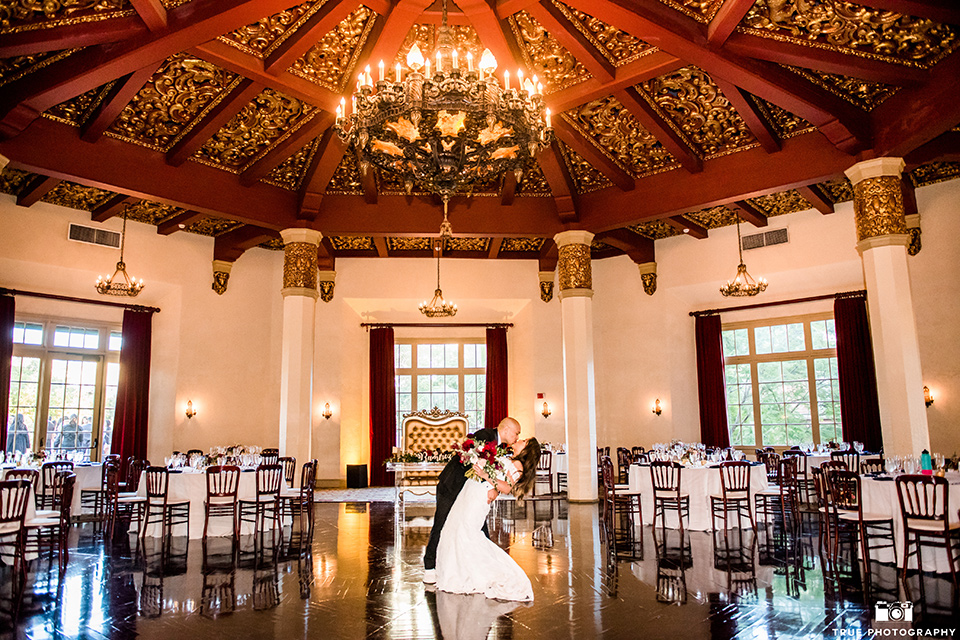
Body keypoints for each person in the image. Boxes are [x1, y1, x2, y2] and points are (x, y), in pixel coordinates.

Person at [434, 436, 541, 601]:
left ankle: (471, 574)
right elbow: (498, 480)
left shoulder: (518, 466)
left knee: (467, 532)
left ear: (527, 449)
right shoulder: (510, 458)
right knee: (453, 528)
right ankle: (458, 572)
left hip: (479, 496)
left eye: (524, 440)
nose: (520, 440)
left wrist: (485, 475)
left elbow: (506, 487)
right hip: (472, 490)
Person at [422, 417, 521, 584]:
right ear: (506, 430)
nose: (517, 437)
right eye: (516, 433)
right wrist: (490, 485)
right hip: (452, 487)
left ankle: (484, 567)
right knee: (441, 523)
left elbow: (490, 471)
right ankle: (429, 566)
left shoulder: (500, 446)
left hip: (470, 492)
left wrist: (494, 487)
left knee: (478, 527)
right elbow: (471, 460)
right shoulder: (485, 435)